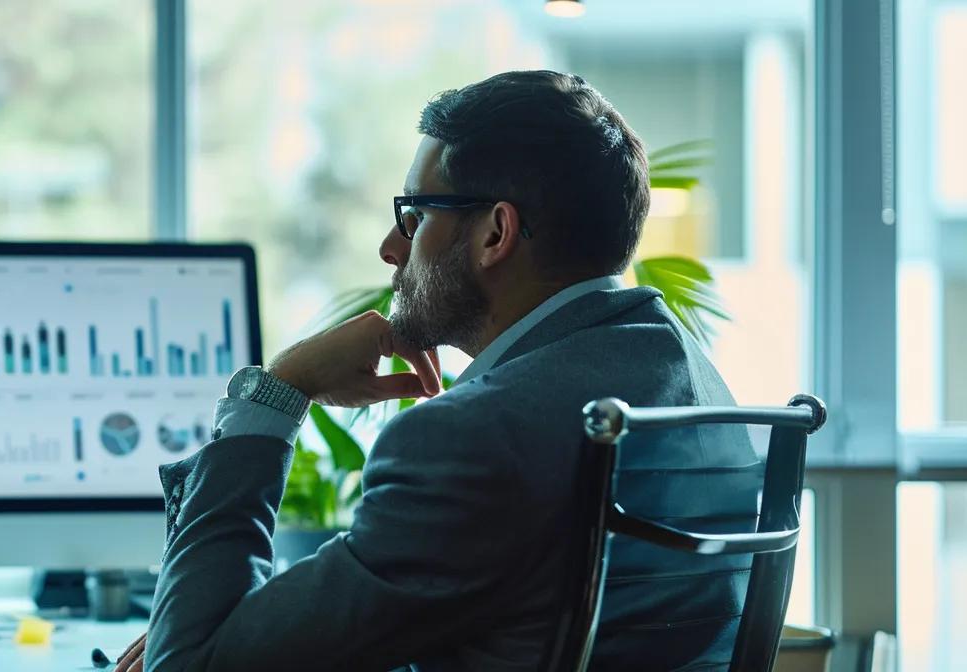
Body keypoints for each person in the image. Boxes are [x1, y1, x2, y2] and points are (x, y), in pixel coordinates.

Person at [113, 70, 764, 671]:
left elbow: (187, 666)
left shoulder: (472, 440)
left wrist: (278, 390)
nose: (391, 248)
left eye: (415, 216)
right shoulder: (695, 383)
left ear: (494, 234)